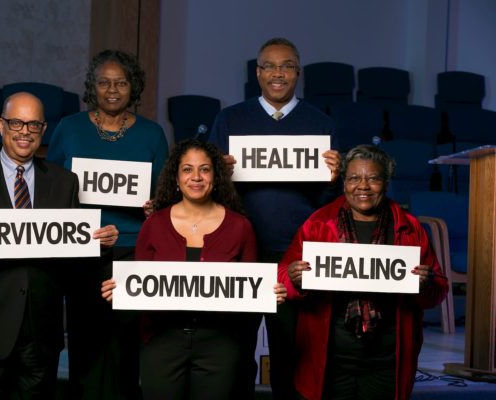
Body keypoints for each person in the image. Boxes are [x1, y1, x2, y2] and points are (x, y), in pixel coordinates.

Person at [0, 92, 118, 399]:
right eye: (17, 122)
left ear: (43, 130)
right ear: (1, 125)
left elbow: (74, 262)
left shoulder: (64, 182)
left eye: (34, 124)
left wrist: (100, 246)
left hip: (41, 334)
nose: (25, 131)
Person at [101, 139, 287, 400]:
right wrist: (120, 288)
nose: (196, 177)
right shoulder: (154, 224)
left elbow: (251, 290)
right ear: (176, 178)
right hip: (162, 342)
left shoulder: (240, 226)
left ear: (216, 176)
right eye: (187, 169)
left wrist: (269, 292)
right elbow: (141, 281)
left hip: (220, 344)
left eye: (205, 169)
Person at [208, 37, 342, 398]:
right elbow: (205, 189)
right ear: (257, 72)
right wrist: (219, 174)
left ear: (298, 73)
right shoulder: (230, 119)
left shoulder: (321, 123)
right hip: (240, 254)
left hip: (293, 256)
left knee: (289, 355)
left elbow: (326, 202)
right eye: (269, 66)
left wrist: (334, 179)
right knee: (236, 353)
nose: (278, 74)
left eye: (287, 66)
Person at [277, 144, 449, 400]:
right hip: (330, 358)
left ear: (386, 182)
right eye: (354, 178)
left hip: (386, 359)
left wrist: (426, 283)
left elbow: (438, 291)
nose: (363, 186)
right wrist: (294, 277)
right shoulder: (318, 223)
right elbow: (282, 277)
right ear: (344, 182)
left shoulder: (410, 228)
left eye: (373, 178)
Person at [47, 49, 169, 399]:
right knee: (85, 344)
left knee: (125, 346)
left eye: (121, 82)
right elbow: (51, 186)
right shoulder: (69, 128)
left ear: (134, 87)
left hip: (132, 252)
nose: (112, 89)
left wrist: (153, 207)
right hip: (80, 250)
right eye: (104, 82)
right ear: (92, 87)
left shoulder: (152, 134)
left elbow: (165, 197)